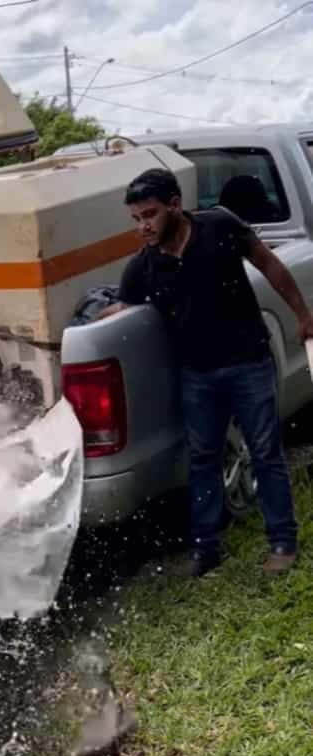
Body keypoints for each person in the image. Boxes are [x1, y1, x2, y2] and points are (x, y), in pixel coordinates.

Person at [97, 167, 313, 578]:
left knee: (266, 453)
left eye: (150, 214)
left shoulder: (220, 226)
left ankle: (283, 542)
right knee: (202, 460)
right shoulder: (144, 266)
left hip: (248, 363)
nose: (143, 226)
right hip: (197, 377)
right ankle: (205, 550)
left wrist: (303, 314)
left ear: (176, 205)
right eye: (137, 219)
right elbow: (121, 310)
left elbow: (268, 263)